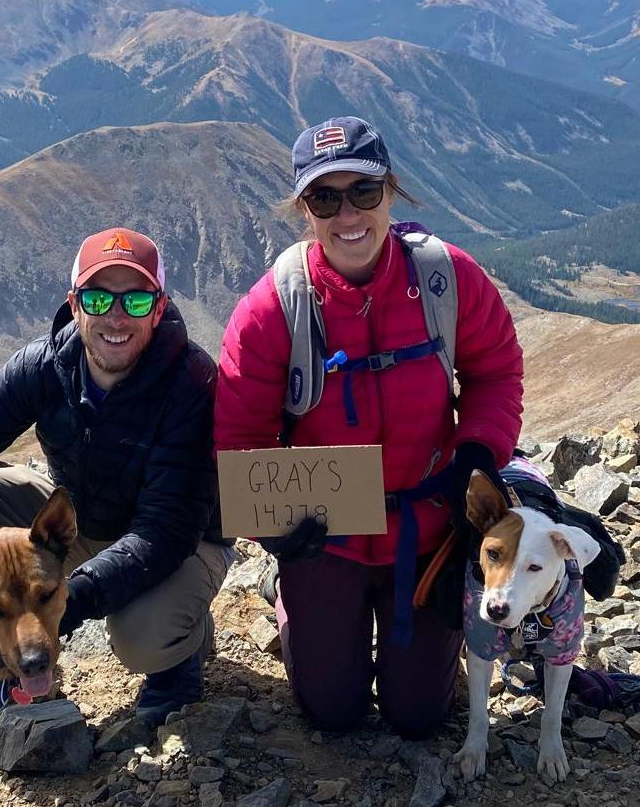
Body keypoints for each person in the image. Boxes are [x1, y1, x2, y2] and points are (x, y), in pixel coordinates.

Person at [215, 117, 523, 739]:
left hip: (428, 529)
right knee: (333, 711)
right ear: (305, 208)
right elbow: (238, 436)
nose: (347, 213)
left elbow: (496, 374)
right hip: (324, 540)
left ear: (391, 193)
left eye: (364, 191)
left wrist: (479, 450)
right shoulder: (274, 306)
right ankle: (294, 606)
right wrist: (276, 529)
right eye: (325, 197)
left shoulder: (446, 279)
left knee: (420, 717)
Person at [0, 227, 229, 726]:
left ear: (158, 306)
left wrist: (70, 600)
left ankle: (180, 651)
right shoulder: (45, 364)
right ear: (75, 303)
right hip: (76, 524)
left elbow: (164, 531)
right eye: (99, 297)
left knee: (142, 640)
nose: (115, 315)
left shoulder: (192, 382)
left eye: (135, 300)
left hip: (182, 544)